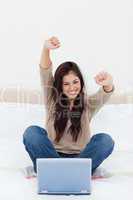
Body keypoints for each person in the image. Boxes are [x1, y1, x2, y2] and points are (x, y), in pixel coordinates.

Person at [23, 36, 115, 178]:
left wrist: (108, 82)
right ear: (59, 86)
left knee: (105, 140)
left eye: (75, 82)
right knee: (32, 133)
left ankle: (70, 172)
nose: (72, 87)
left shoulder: (88, 103)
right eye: (66, 84)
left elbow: (106, 92)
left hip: (81, 159)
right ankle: (61, 172)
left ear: (81, 82)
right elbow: (45, 71)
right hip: (51, 157)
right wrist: (46, 48)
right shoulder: (52, 98)